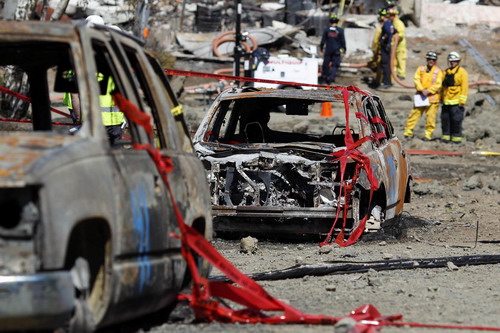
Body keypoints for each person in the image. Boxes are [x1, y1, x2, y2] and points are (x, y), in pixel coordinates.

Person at [403, 51, 443, 141]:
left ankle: (428, 135)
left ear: (436, 61)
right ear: (426, 59)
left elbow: (438, 84)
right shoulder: (420, 69)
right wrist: (421, 89)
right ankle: (408, 132)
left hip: (432, 99)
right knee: (414, 115)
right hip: (421, 97)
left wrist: (428, 91)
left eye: (433, 59)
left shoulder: (438, 71)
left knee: (430, 118)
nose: (431, 61)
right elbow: (416, 79)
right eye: (429, 59)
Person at [441, 51, 468, 144]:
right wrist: (441, 98)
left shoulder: (462, 72)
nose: (452, 63)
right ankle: (446, 137)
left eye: (455, 61)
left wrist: (462, 101)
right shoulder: (446, 72)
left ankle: (456, 139)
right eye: (451, 61)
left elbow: (464, 87)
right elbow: (442, 87)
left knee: (456, 121)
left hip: (456, 102)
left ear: (458, 62)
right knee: (445, 120)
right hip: (446, 101)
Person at [320, 14, 346, 84]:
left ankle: (324, 78)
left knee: (326, 64)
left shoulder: (326, 29)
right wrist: (344, 49)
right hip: (336, 50)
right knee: (335, 65)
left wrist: (321, 49)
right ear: (337, 22)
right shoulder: (340, 30)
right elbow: (342, 41)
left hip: (328, 50)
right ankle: (331, 79)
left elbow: (323, 40)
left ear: (330, 21)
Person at [368, 8, 388, 88]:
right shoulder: (384, 26)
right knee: (381, 67)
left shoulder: (382, 27)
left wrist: (375, 50)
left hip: (381, 50)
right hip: (380, 50)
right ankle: (379, 81)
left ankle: (380, 82)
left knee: (382, 67)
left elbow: (377, 41)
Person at [387, 7, 407, 80]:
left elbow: (401, 34)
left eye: (392, 15)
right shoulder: (392, 23)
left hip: (400, 46)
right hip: (395, 45)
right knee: (394, 60)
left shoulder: (398, 23)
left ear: (395, 15)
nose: (391, 17)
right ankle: (394, 73)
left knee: (401, 60)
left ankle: (401, 74)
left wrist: (395, 37)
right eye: (390, 15)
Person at [379, 11, 397, 89]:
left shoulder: (386, 24)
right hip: (387, 46)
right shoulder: (390, 23)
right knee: (387, 65)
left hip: (385, 46)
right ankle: (387, 81)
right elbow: (394, 31)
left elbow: (388, 32)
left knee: (385, 65)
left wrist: (384, 39)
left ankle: (387, 83)